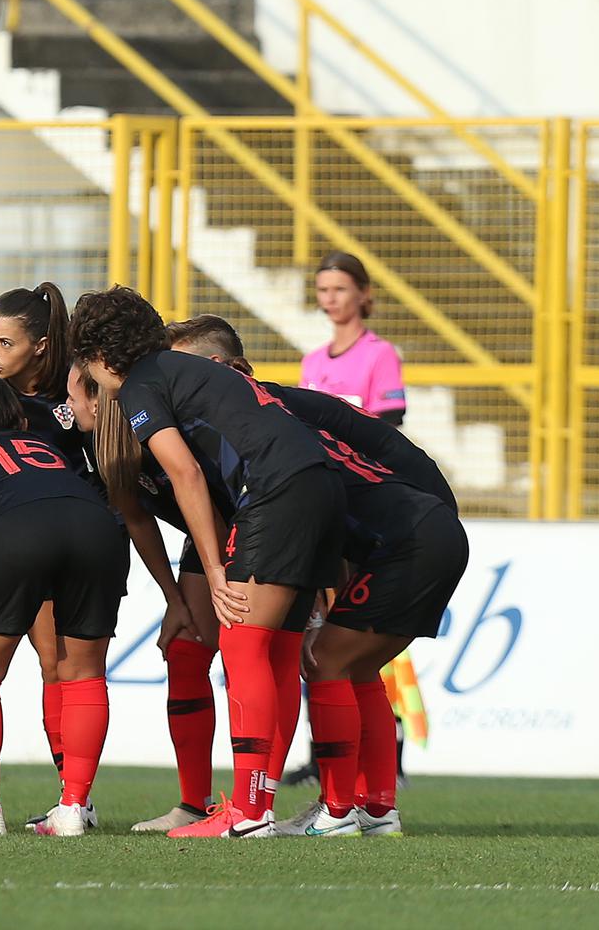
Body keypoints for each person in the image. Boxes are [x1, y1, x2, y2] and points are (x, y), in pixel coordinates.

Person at [168, 314, 465, 838]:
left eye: (181, 369)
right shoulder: (274, 419)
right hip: (423, 532)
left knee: (323, 658)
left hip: (409, 540)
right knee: (351, 667)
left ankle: (333, 811)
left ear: (218, 369)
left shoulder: (261, 426)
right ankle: (376, 810)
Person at [71, 286, 346, 840]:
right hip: (318, 483)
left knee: (243, 641)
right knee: (278, 649)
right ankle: (255, 803)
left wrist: (218, 572)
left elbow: (186, 474)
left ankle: (247, 813)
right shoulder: (175, 369)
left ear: (101, 360)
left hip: (275, 491)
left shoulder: (142, 385)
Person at [0, 377, 127, 837]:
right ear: (19, 419)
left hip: (20, 530)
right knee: (83, 675)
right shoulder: (43, 446)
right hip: (97, 527)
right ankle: (73, 808)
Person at [0, 282, 103, 829]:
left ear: (43, 346)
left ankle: (75, 800)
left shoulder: (74, 390)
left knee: (59, 665)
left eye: (6, 343)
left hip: (70, 538)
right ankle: (72, 803)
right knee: (38, 666)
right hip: (13, 539)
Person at [64, 365, 214, 835]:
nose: (66, 408)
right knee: (186, 651)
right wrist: (175, 598)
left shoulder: (158, 429)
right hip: (209, 540)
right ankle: (196, 803)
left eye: (71, 394)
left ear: (95, 396)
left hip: (260, 531)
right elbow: (137, 518)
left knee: (270, 654)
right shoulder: (108, 446)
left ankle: (265, 807)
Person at [301, 251, 406, 425]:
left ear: (364, 293)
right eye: (323, 290)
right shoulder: (312, 361)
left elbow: (389, 423)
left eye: (340, 289)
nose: (330, 299)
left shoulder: (380, 353)